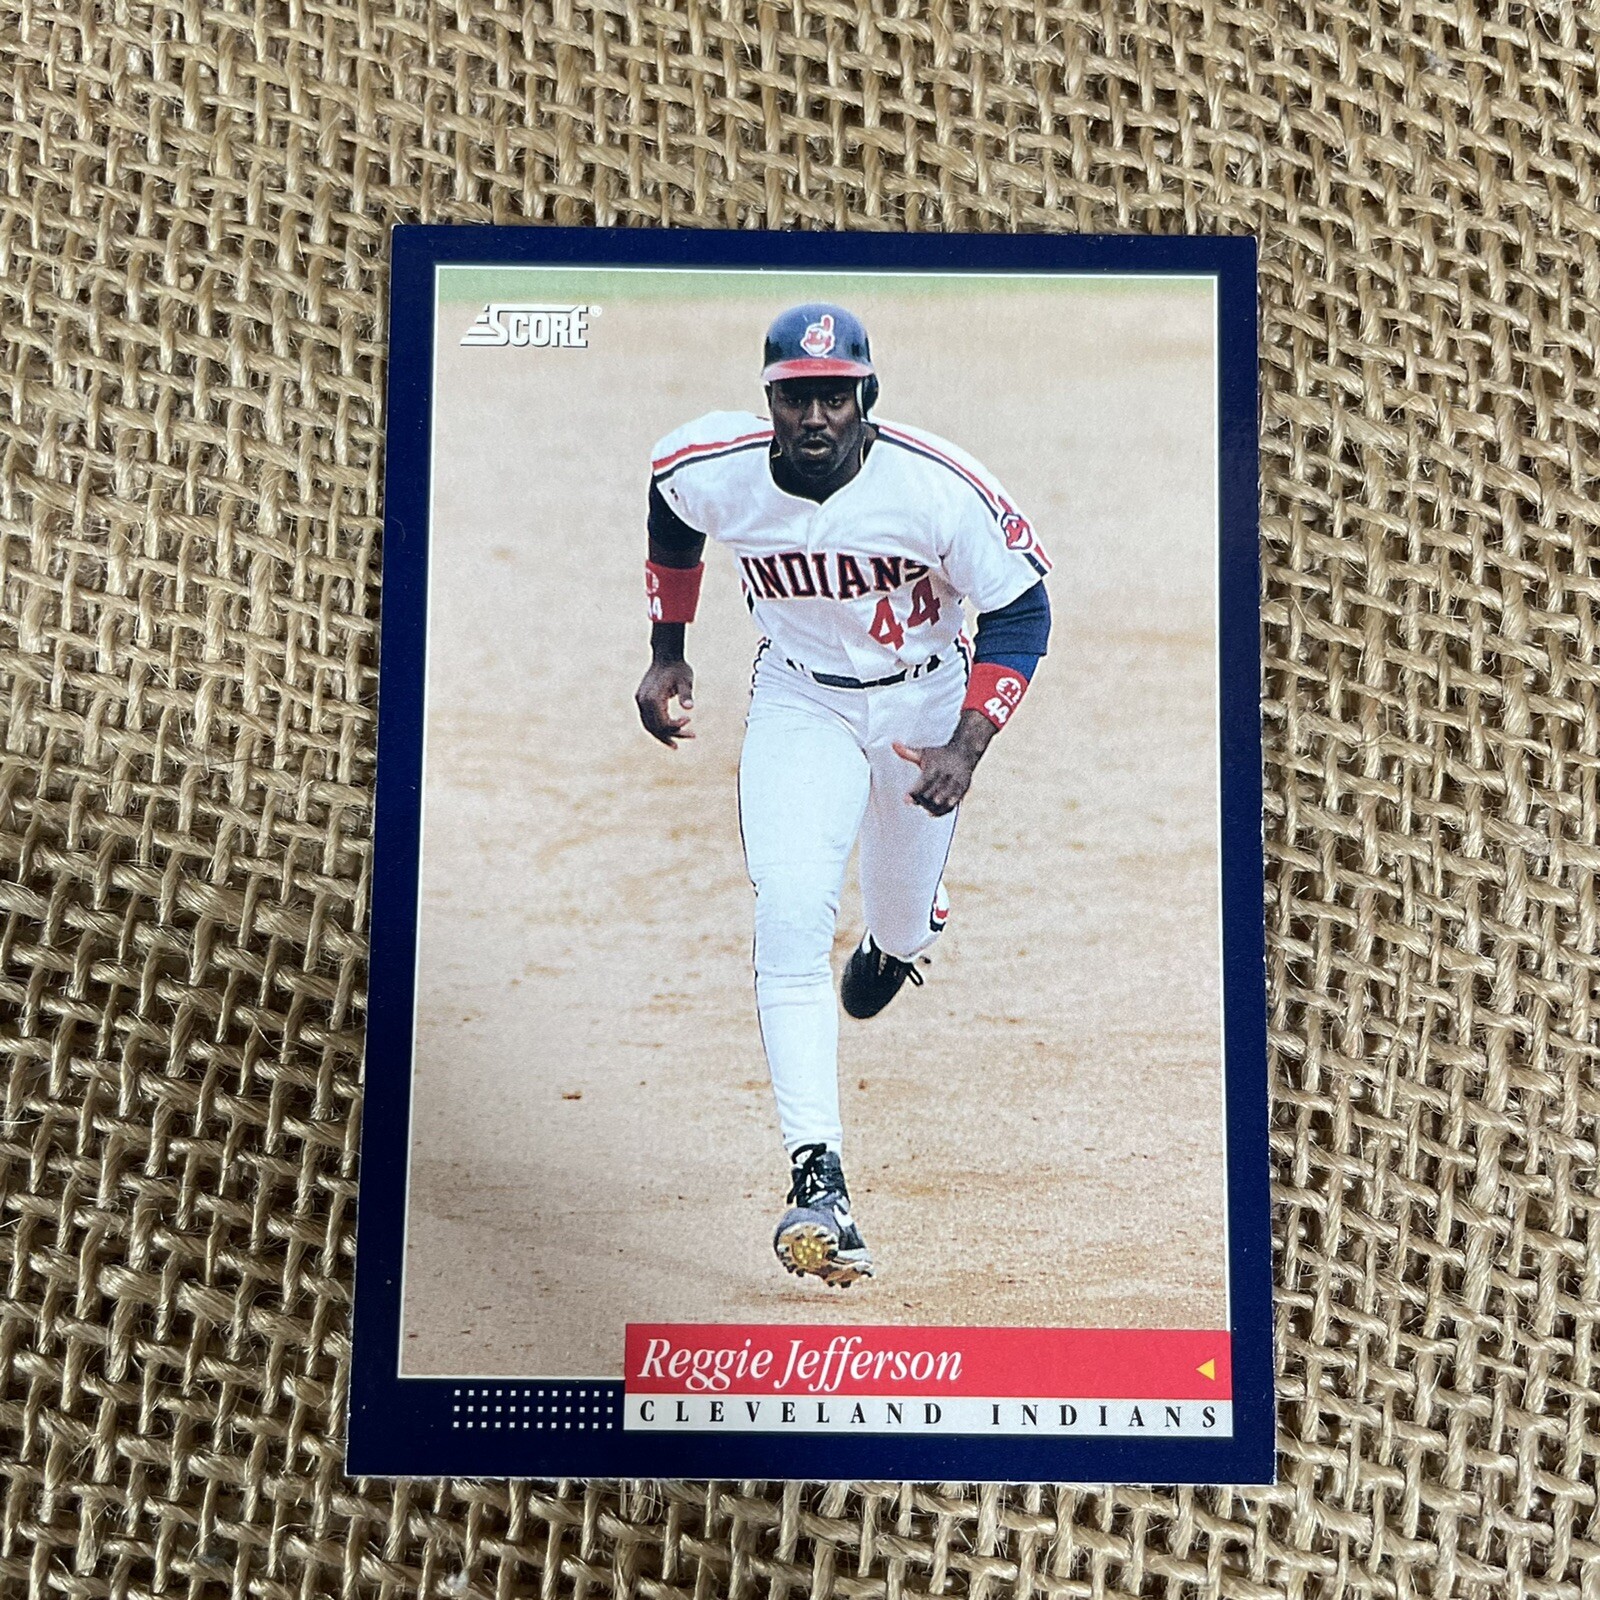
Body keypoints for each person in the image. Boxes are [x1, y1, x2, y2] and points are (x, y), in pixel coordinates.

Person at [635, 303, 1051, 1286]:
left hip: (925, 701)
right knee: (789, 910)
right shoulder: (715, 466)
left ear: (866, 395)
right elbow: (672, 513)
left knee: (896, 918)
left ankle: (904, 937)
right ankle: (819, 1179)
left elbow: (1021, 610)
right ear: (769, 401)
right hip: (800, 698)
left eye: (834, 394)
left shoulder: (936, 487)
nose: (814, 415)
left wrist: (967, 743)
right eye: (795, 397)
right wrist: (666, 652)